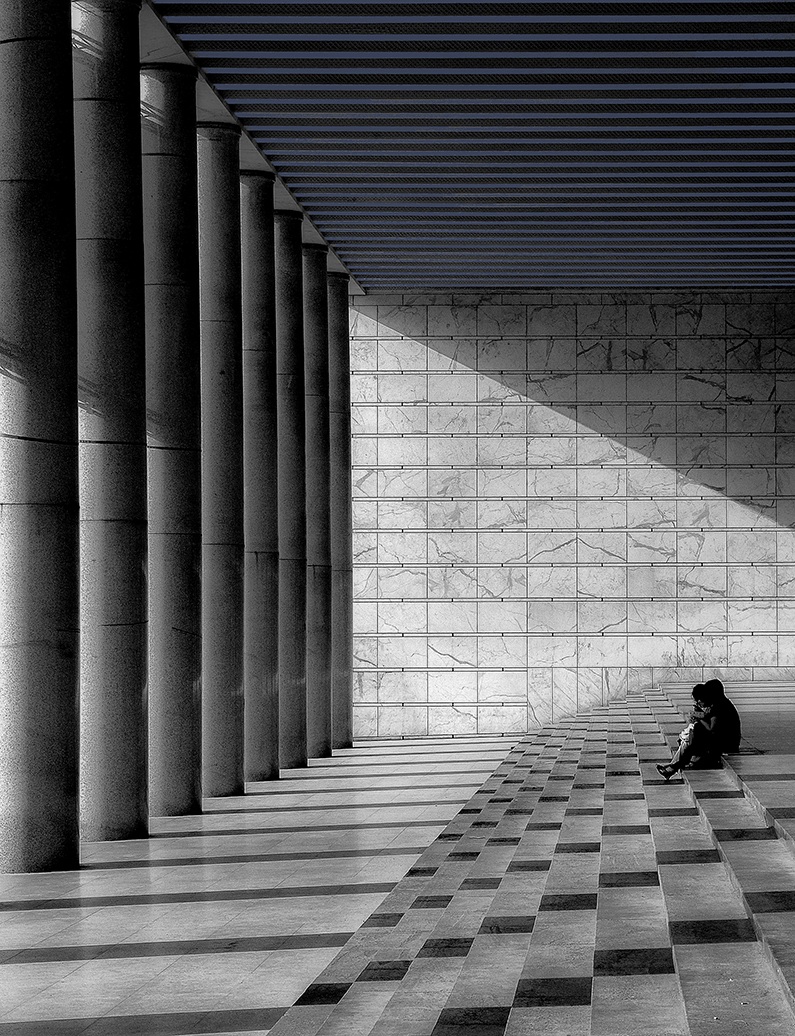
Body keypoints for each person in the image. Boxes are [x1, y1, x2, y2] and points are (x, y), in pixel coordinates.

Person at [656, 679, 742, 781]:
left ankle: (673, 766)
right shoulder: (721, 704)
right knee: (691, 735)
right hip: (726, 741)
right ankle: (674, 766)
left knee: (695, 731)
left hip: (727, 744)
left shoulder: (720, 707)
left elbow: (712, 729)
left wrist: (699, 719)